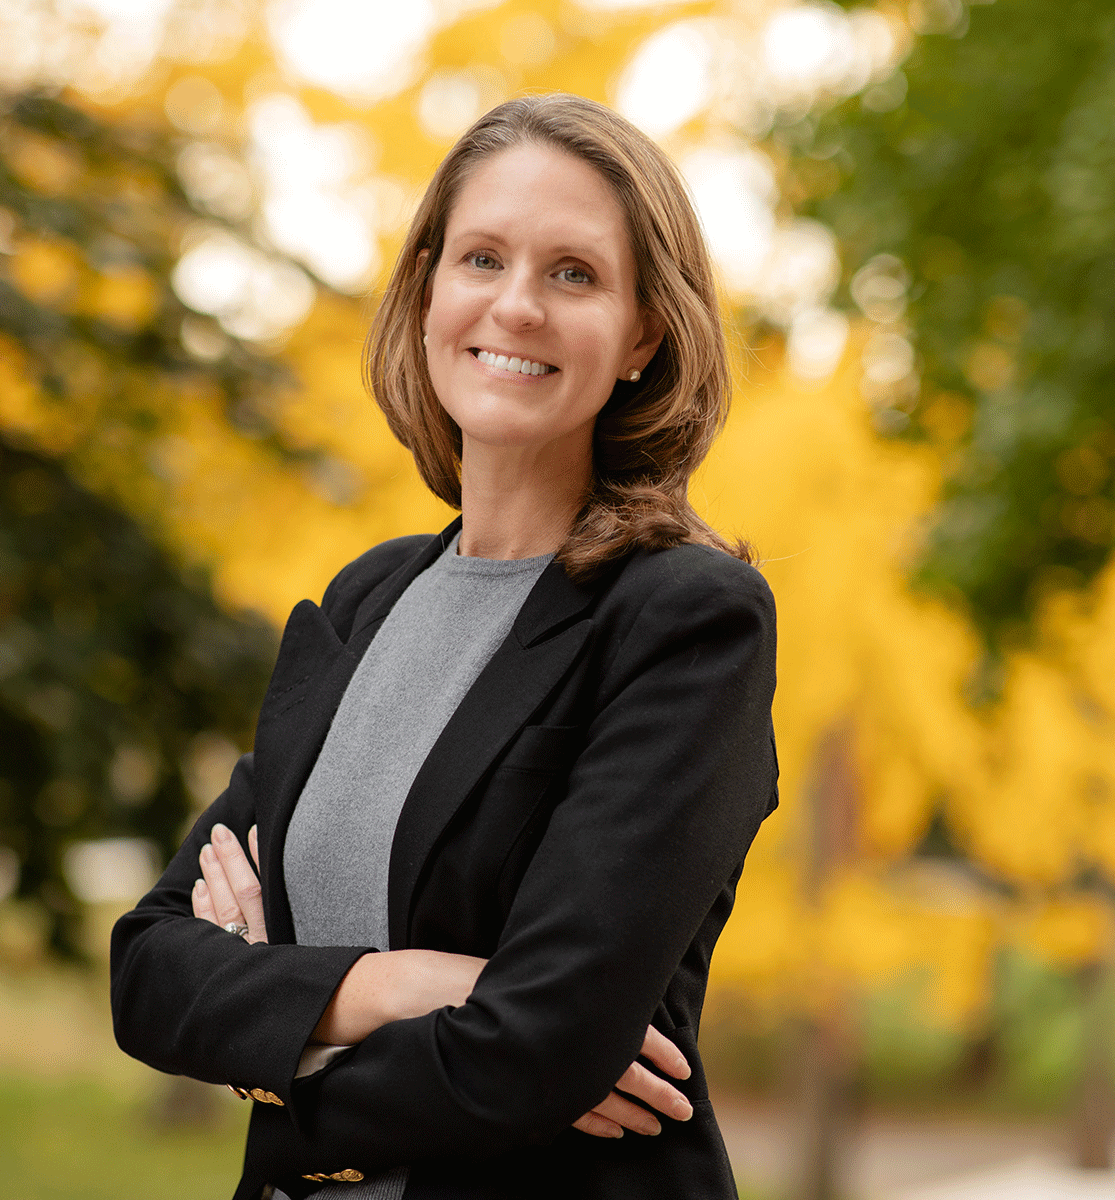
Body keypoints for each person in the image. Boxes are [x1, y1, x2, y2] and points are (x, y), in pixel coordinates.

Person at [109, 93, 779, 1200]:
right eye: (481, 257)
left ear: (643, 336)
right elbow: (149, 969)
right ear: (428, 289)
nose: (515, 305)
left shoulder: (684, 621)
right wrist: (393, 985)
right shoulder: (368, 601)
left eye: (573, 273)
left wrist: (273, 1035)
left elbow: (536, 1048)